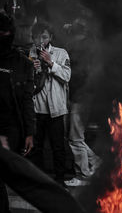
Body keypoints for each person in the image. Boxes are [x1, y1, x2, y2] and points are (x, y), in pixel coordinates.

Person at [0, 12, 35, 212]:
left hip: (12, 128)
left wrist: (29, 132)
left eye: (5, 32)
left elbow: (26, 100)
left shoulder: (23, 63)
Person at [31, 21, 71, 187]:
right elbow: (28, 83)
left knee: (58, 146)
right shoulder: (30, 53)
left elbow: (67, 76)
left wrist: (51, 63)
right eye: (37, 37)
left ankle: (60, 180)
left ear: (51, 37)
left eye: (45, 36)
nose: (41, 40)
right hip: (38, 108)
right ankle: (39, 181)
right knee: (37, 147)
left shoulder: (61, 53)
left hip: (56, 109)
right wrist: (33, 69)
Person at [64, 19, 102, 186]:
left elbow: (77, 76)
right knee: (76, 137)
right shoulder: (92, 47)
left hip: (80, 98)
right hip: (85, 98)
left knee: (75, 138)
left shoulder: (80, 49)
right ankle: (96, 161)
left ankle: (82, 175)